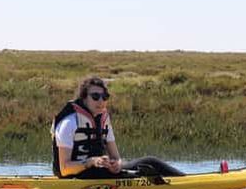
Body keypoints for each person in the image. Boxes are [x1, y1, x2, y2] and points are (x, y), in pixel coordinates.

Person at [51, 76, 184, 179]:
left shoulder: (104, 120)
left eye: (105, 97)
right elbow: (64, 168)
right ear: (84, 98)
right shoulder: (69, 123)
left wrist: (117, 165)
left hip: (99, 173)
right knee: (148, 163)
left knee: (150, 163)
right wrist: (91, 162)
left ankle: (188, 182)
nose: (101, 101)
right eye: (95, 97)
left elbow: (116, 158)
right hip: (76, 177)